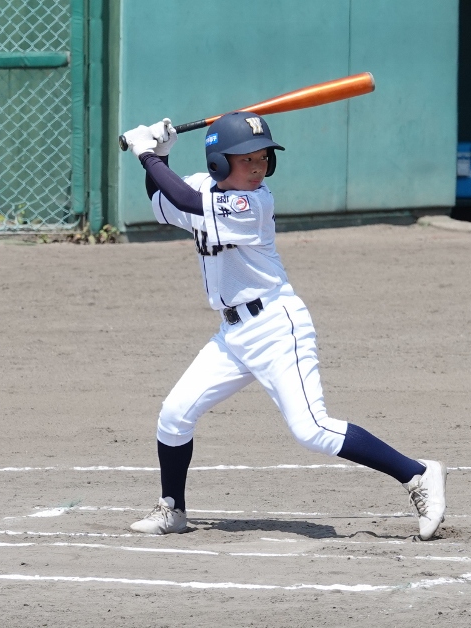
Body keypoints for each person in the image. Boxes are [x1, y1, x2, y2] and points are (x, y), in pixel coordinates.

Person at [118, 113, 447, 540]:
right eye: (246, 159)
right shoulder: (202, 187)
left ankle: (417, 473)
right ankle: (172, 509)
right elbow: (165, 200)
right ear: (218, 163)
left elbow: (184, 199)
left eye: (263, 158)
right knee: (174, 414)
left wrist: (147, 155)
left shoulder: (252, 204)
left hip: (276, 327)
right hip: (233, 335)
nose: (258, 168)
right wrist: (160, 156)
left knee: (311, 429)